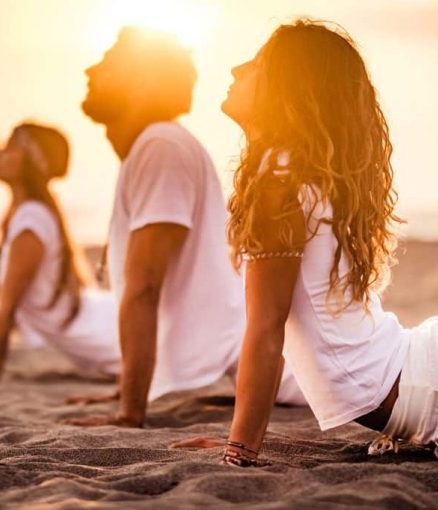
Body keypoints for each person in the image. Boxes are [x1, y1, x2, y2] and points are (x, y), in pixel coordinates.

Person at [173, 20, 438, 465]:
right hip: (429, 377)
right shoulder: (288, 176)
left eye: (258, 63)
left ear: (287, 87)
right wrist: (245, 438)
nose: (238, 68)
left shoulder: (280, 185)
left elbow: (266, 331)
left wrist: (240, 448)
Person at [65, 27, 305, 428]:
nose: (92, 69)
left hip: (282, 375)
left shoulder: (162, 147)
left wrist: (129, 413)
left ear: (138, 83)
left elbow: (145, 287)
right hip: (247, 363)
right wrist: (123, 390)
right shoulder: (154, 146)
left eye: (107, 63)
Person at [0, 123, 119, 383]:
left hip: (105, 332)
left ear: (31, 160)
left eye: (10, 147)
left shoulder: (31, 219)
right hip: (96, 323)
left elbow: (4, 311)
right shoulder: (27, 213)